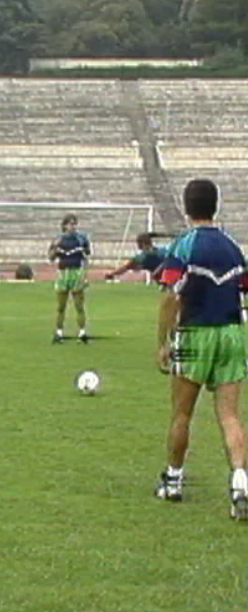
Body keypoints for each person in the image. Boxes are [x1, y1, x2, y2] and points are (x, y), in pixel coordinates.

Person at [155, 178, 248, 521]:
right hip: (232, 334)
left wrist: (163, 341)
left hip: (195, 334)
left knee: (182, 413)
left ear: (186, 206)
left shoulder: (185, 245)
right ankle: (240, 483)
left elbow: (171, 295)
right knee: (230, 415)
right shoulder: (233, 247)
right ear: (215, 206)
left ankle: (173, 480)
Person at [48, 213, 91, 344]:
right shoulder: (58, 239)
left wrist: (84, 275)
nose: (73, 227)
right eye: (71, 224)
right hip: (63, 273)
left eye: (75, 224)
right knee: (61, 306)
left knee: (79, 305)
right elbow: (51, 258)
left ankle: (82, 333)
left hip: (76, 272)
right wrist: (55, 248)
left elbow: (86, 257)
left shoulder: (81, 239)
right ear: (65, 225)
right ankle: (59, 332)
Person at [105, 232, 169, 281]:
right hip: (171, 276)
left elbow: (125, 268)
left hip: (165, 278)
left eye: (138, 243)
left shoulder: (142, 257)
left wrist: (111, 273)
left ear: (142, 243)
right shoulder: (163, 250)